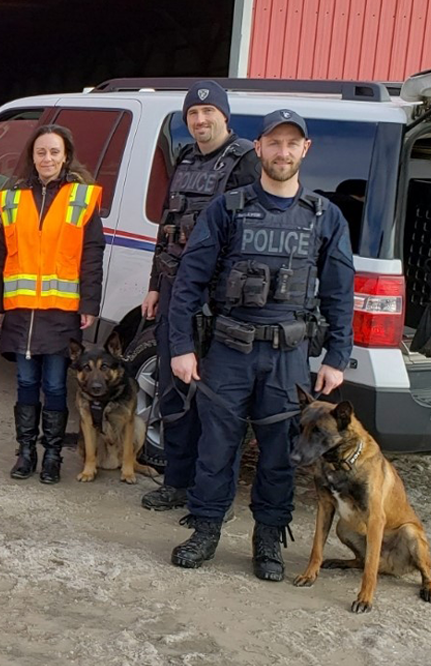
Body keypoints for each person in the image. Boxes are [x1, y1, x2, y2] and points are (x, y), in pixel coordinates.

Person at [166, 110, 354, 581]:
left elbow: (339, 292)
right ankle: (206, 528)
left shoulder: (324, 216)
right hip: (228, 349)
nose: (282, 152)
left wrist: (336, 356)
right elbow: (189, 280)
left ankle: (268, 537)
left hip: (289, 357)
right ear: (260, 147)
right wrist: (181, 346)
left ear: (304, 150)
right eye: (274, 143)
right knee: (216, 447)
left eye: (292, 144)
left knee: (280, 454)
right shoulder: (227, 209)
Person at [140, 81, 260, 513]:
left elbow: (251, 234)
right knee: (173, 389)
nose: (200, 120)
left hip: (219, 296)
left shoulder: (246, 160)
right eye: (193, 114)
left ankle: (211, 496)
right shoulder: (186, 157)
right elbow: (166, 226)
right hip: (175, 290)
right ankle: (175, 481)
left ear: (224, 117)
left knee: (216, 401)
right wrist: (155, 284)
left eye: (208, 114)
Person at [0, 124, 105, 485]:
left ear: (66, 155)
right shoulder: (12, 197)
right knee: (25, 382)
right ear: (32, 157)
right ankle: (26, 453)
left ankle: (52, 456)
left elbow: (91, 253)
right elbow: (1, 254)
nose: (48, 158)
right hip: (22, 312)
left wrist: (89, 301)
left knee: (55, 385)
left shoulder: (80, 197)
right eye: (41, 152)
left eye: (54, 152)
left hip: (60, 312)